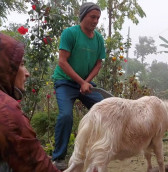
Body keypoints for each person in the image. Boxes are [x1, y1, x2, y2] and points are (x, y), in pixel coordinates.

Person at [51, 2, 106, 170]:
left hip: (85, 83)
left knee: (104, 109)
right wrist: (81, 82)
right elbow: (62, 62)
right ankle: (58, 158)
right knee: (66, 116)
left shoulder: (98, 38)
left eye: (98, 18)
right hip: (65, 82)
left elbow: (98, 64)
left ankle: (98, 151)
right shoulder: (70, 33)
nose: (96, 21)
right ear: (83, 16)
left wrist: (86, 82)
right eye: (92, 17)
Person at [0, 33, 60, 171]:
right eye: (20, 64)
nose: (27, 73)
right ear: (5, 69)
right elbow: (39, 167)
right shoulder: (6, 112)